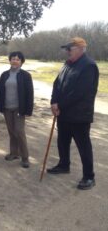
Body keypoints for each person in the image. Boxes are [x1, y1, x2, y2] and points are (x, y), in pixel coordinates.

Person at [47, 37, 99, 190]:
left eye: (70, 49)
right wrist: (53, 101)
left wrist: (59, 104)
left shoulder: (88, 66)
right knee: (62, 141)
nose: (67, 51)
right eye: (67, 49)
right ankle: (64, 165)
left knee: (83, 146)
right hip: (63, 113)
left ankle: (89, 177)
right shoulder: (67, 64)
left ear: (80, 49)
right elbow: (57, 83)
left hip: (79, 115)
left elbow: (80, 93)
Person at [0, 51, 34, 168]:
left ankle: (25, 157)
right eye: (13, 59)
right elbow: (0, 92)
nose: (15, 61)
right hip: (7, 108)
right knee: (11, 131)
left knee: (19, 132)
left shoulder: (26, 75)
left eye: (17, 59)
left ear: (21, 61)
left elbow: (29, 94)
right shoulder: (4, 75)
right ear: (10, 60)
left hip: (19, 108)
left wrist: (28, 110)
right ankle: (14, 153)